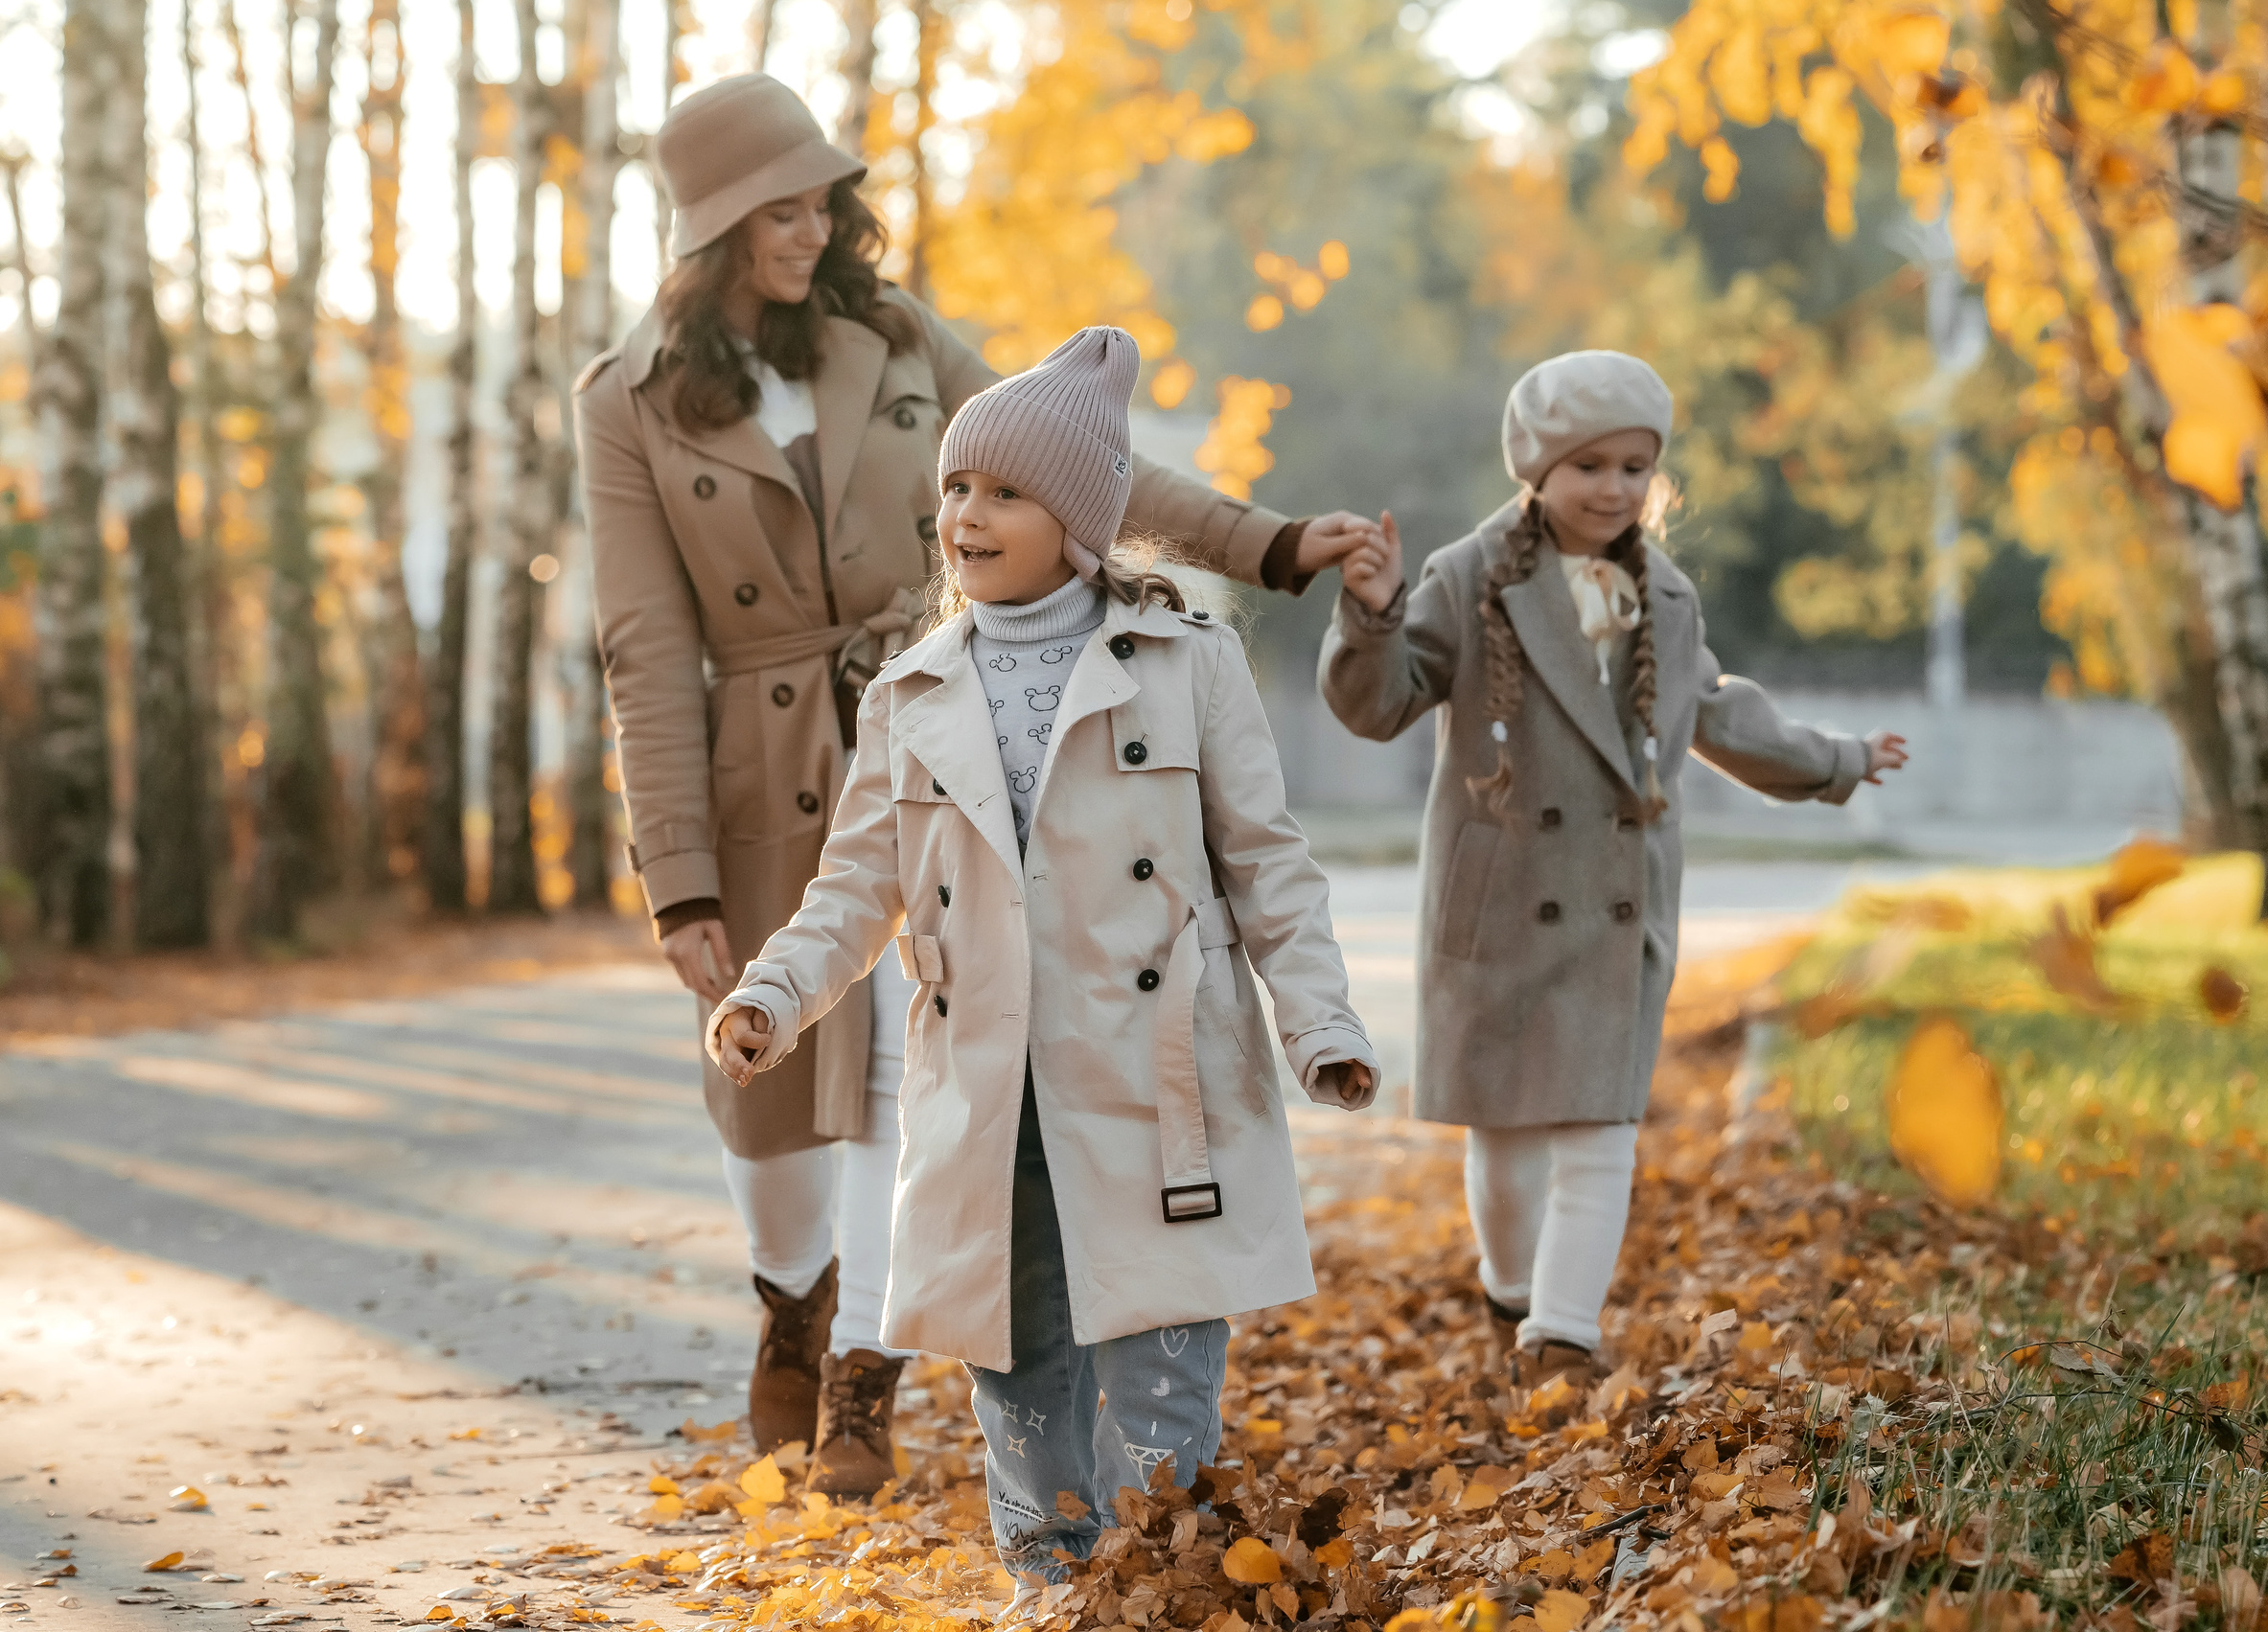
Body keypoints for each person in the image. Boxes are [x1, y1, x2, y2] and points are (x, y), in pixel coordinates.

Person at [572, 74, 1378, 1490]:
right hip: (762, 757)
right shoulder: (626, 402)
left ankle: (866, 1380)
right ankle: (792, 1294)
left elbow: (1067, 458)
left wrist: (1267, 542)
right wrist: (678, 874)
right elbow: (643, 644)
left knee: (915, 1066)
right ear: (713, 227)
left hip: (935, 704)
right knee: (765, 1115)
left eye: (825, 198)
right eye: (782, 206)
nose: (814, 226)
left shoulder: (890, 336)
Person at [706, 326, 1377, 1586]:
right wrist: (775, 991)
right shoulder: (909, 690)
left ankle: (1159, 1578)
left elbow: (1269, 865)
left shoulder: (1188, 665)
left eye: (1005, 489)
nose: (966, 511)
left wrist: (1322, 1024)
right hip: (986, 1088)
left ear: (1076, 517)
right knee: (1015, 1358)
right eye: (956, 486)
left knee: (1160, 1351)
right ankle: (1047, 1580)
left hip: (1152, 1077)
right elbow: (856, 883)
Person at [1318, 350, 1909, 1389]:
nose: (1614, 488)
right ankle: (1511, 1289)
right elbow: (1380, 703)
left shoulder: (1664, 594)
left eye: (1636, 466)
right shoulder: (1469, 576)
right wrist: (1369, 610)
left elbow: (1716, 712)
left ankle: (1561, 1335)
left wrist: (1837, 759)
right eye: (1589, 464)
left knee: (1598, 1129)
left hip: (1614, 908)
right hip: (1500, 902)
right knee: (1504, 1143)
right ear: (1536, 470)